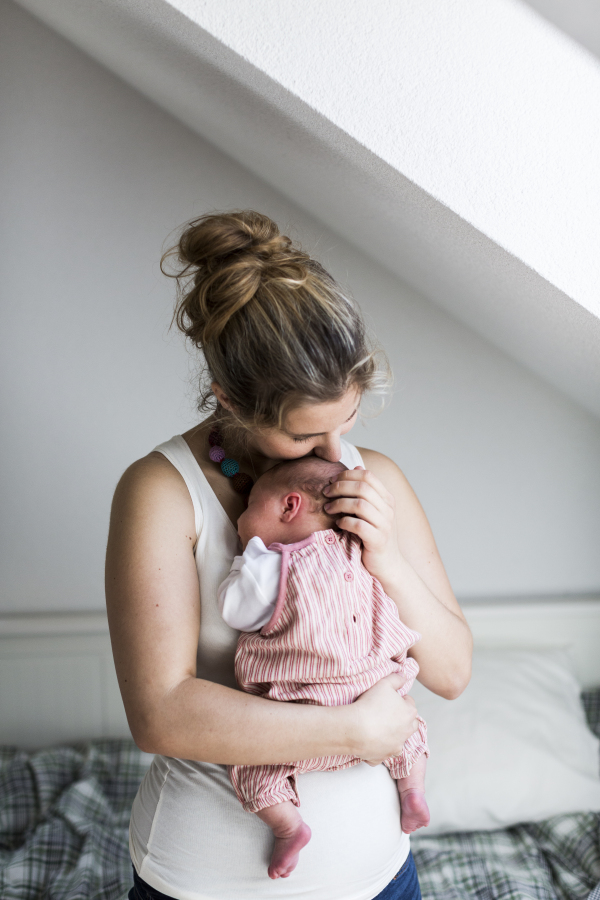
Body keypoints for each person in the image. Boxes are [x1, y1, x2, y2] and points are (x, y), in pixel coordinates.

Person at [105, 210, 472, 900]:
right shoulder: (160, 492)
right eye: (305, 440)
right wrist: (353, 730)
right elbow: (160, 715)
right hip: (205, 885)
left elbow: (452, 672)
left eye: (348, 421)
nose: (337, 458)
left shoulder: (377, 480)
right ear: (230, 403)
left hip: (381, 880)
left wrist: (386, 558)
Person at [218, 455, 431, 880]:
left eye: (248, 508)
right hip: (370, 691)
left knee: (251, 769)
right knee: (412, 731)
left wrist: (244, 560)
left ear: (289, 507)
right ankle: (412, 791)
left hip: (300, 709)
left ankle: (289, 826)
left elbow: (235, 610)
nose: (240, 520)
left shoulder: (272, 565)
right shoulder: (360, 552)